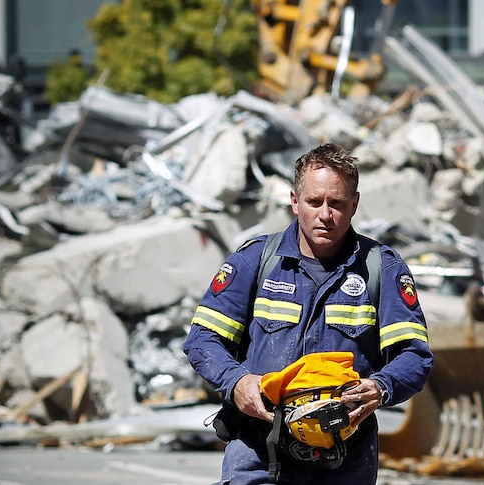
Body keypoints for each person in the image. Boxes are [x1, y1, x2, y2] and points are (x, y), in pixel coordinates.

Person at [183, 143, 434, 485]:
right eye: (315, 202)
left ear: (355, 204)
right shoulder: (255, 261)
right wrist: (236, 382)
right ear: (294, 201)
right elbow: (202, 340)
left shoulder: (382, 269)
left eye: (338, 204)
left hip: (345, 460)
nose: (326, 215)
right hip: (259, 454)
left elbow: (414, 356)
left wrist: (381, 386)